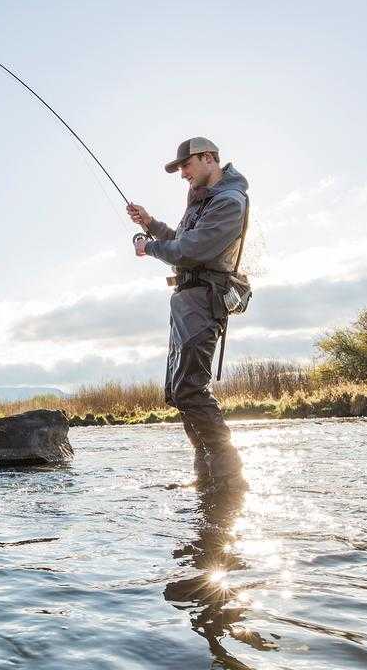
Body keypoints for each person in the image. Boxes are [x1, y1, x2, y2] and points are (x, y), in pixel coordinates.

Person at [127, 137, 248, 492]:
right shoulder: (203, 201)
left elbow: (191, 250)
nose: (183, 174)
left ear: (208, 158)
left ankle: (229, 477)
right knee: (180, 391)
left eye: (186, 165)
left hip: (203, 301)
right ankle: (207, 475)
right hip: (187, 304)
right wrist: (150, 224)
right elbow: (180, 239)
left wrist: (149, 247)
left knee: (191, 390)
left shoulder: (228, 201)